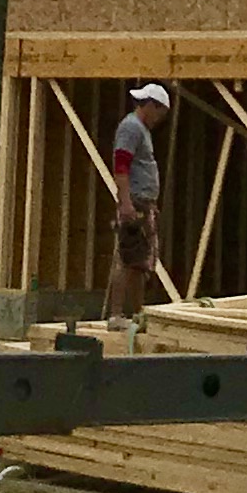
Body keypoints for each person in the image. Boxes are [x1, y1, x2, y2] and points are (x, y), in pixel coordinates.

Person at [108, 80, 170, 318]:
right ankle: (116, 315)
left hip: (143, 202)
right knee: (127, 258)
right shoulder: (131, 128)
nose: (159, 120)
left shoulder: (140, 129)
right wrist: (126, 203)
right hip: (135, 201)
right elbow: (121, 166)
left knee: (140, 261)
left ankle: (137, 313)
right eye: (159, 113)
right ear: (151, 105)